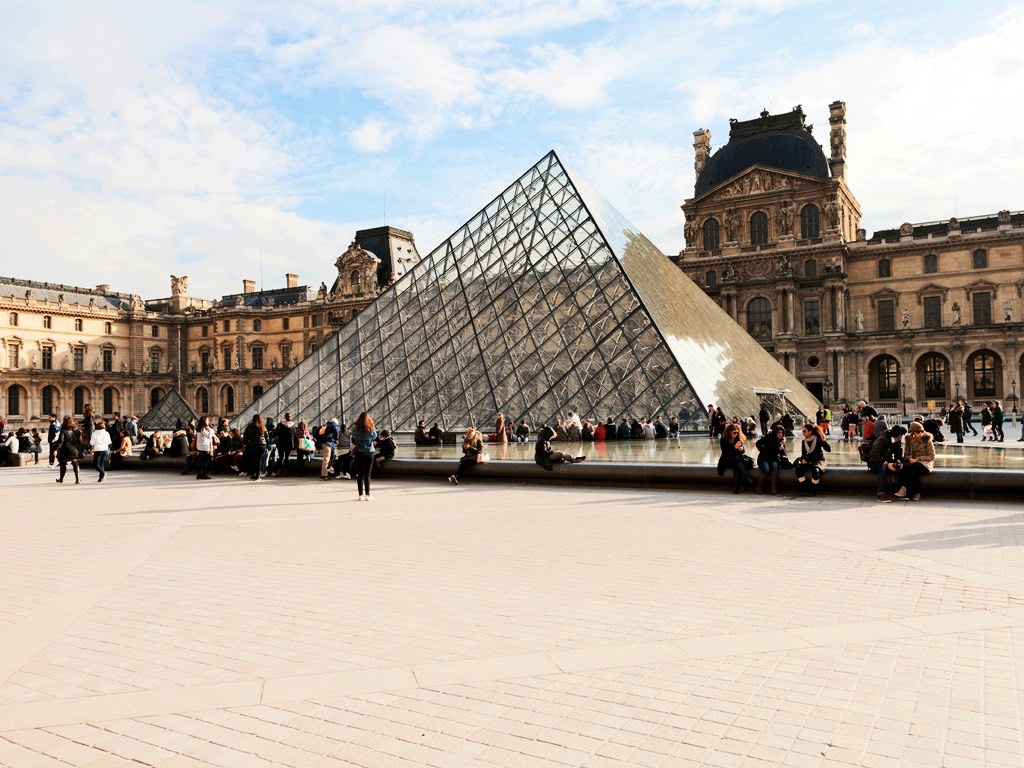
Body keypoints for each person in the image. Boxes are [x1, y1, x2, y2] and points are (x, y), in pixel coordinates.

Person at [893, 421, 935, 501]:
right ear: (913, 432)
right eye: (918, 432)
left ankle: (911, 491)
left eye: (922, 431)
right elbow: (906, 454)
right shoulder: (909, 440)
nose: (920, 433)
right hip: (913, 462)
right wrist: (909, 459)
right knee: (903, 466)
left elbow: (931, 456)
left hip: (925, 463)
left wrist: (918, 459)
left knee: (914, 467)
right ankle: (909, 492)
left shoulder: (927, 440)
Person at [868, 424, 906, 502]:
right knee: (883, 467)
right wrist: (887, 463)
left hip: (886, 461)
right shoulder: (882, 439)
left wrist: (898, 461)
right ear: (898, 435)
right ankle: (880, 493)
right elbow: (873, 453)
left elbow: (898, 454)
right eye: (901, 436)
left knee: (901, 466)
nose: (901, 438)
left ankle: (900, 491)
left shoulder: (896, 441)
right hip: (875, 462)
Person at [794, 423, 830, 494]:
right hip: (809, 461)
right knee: (798, 469)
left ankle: (814, 489)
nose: (803, 433)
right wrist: (803, 459)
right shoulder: (804, 442)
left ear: (810, 431)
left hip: (818, 461)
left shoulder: (818, 439)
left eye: (804, 431)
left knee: (815, 471)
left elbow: (828, 449)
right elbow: (803, 454)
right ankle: (806, 488)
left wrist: (824, 441)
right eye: (802, 431)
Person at [350, 412, 379, 500]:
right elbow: (375, 436)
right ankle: (368, 495)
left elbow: (353, 433)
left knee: (360, 475)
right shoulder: (371, 428)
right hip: (369, 453)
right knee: (367, 475)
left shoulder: (355, 428)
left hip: (359, 452)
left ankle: (360, 495)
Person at [717, 423, 752, 494]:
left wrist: (741, 449)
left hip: (736, 460)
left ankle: (736, 488)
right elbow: (726, 452)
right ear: (729, 432)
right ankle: (747, 477)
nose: (736, 434)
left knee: (737, 467)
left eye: (737, 432)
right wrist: (734, 447)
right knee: (735, 460)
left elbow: (743, 451)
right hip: (727, 460)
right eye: (734, 433)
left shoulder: (737, 438)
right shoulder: (723, 439)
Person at [754, 424, 787, 495]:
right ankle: (758, 487)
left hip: (774, 458)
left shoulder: (782, 440)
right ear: (775, 433)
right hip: (764, 457)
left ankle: (773, 488)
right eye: (778, 432)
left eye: (781, 432)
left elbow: (783, 453)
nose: (780, 434)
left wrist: (782, 449)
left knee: (775, 467)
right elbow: (758, 443)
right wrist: (763, 450)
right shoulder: (769, 437)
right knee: (766, 469)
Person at [54, 416, 83, 484]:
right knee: (75, 463)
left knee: (63, 463)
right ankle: (77, 479)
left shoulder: (63, 430)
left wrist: (56, 449)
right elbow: (80, 440)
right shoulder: (76, 429)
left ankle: (61, 479)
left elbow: (61, 441)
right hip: (75, 449)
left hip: (65, 449)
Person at [242, 414, 268, 481]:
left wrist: (245, 443)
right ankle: (258, 475)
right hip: (262, 445)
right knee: (258, 460)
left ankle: (253, 475)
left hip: (252, 444)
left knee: (253, 460)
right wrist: (267, 444)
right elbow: (267, 436)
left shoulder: (250, 426)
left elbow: (246, 435)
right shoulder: (262, 425)